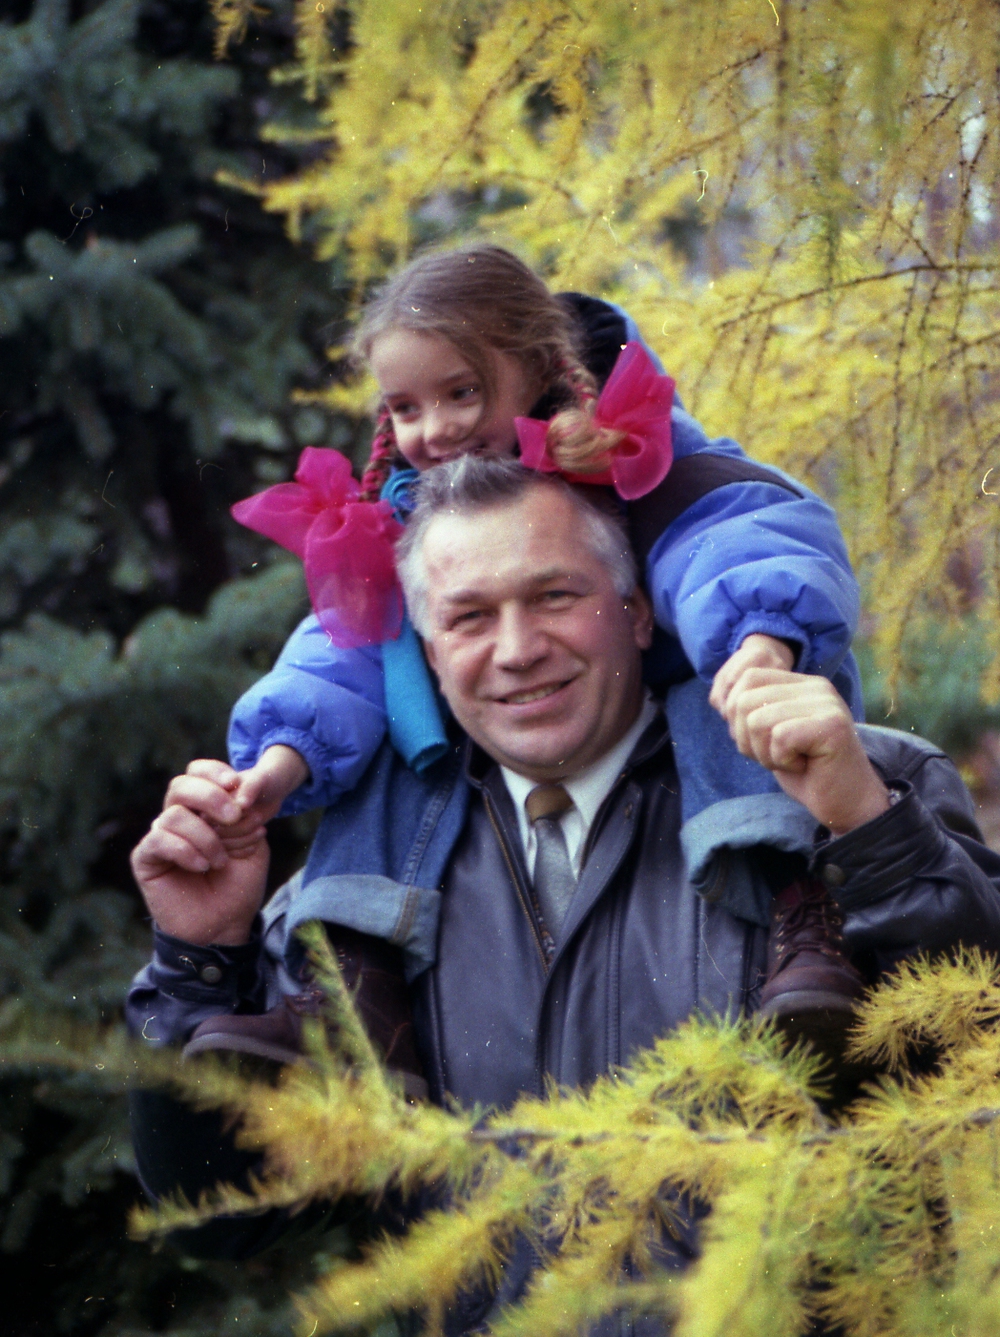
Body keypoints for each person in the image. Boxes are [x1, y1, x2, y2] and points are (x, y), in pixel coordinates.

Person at [127, 459, 1000, 1325]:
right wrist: (199, 957)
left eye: (554, 597)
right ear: (427, 655)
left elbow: (974, 1061)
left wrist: (872, 831)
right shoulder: (358, 892)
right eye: (469, 616)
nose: (516, 649)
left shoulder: (849, 781)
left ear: (636, 610)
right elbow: (233, 1212)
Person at [219, 243, 864, 1036]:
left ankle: (794, 905)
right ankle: (357, 984)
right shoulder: (412, 510)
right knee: (400, 723)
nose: (438, 430)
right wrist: (281, 755)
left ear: (537, 364)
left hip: (696, 696)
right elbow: (344, 643)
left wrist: (759, 640)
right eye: (408, 408)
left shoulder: (631, 445)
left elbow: (735, 533)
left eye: (462, 392)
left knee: (723, 694)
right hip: (517, 743)